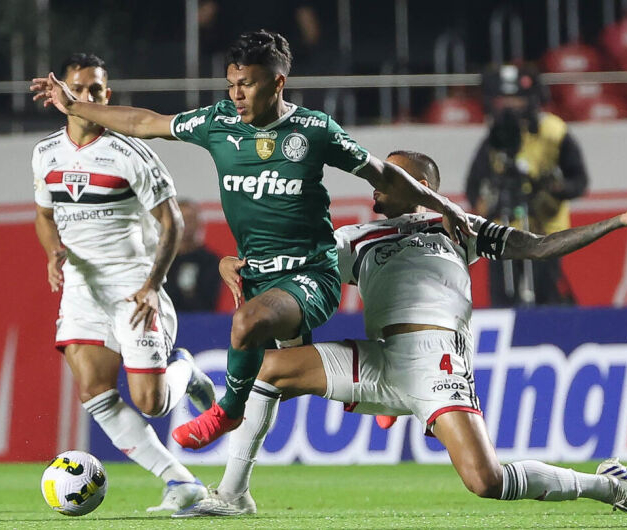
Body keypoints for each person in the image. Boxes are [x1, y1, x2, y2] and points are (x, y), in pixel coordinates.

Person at [30, 30, 475, 450]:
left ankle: (228, 410)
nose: (236, 95)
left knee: (245, 325)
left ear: (277, 82)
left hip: (311, 275)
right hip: (257, 275)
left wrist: (446, 205)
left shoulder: (315, 131)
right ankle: (386, 401)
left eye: (247, 84)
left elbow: (384, 175)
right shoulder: (218, 122)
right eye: (231, 84)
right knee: (291, 376)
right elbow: (144, 121)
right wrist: (75, 106)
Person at [182, 150, 627, 517]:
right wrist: (237, 262)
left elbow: (538, 247)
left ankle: (607, 485)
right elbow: (293, 266)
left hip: (437, 360)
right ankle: (233, 494)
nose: (376, 182)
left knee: (485, 480)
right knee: (269, 370)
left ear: (420, 185)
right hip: (380, 358)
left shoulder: (457, 227)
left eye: (389, 176)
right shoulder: (355, 237)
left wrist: (618, 222)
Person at [31, 53, 216, 512]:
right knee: (94, 392)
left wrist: (154, 283)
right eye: (79, 88)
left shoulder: (128, 152)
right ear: (62, 93)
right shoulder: (45, 153)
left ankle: (185, 370)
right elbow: (43, 214)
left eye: (96, 90)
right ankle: (181, 483)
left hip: (135, 286)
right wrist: (54, 251)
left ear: (106, 96)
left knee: (151, 403)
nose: (87, 97)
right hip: (82, 288)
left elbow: (170, 223)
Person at [465, 64, 589, 306]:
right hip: (501, 231)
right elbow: (473, 184)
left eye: (517, 99)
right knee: (502, 300)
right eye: (504, 100)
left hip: (545, 230)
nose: (510, 107)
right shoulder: (495, 136)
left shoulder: (554, 131)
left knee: (547, 299)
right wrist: (483, 203)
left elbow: (579, 181)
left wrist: (554, 188)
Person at [163, 200, 221, 312]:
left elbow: (208, 303)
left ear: (199, 223)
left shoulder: (210, 260)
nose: (185, 224)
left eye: (189, 219)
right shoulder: (158, 260)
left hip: (197, 323)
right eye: (181, 219)